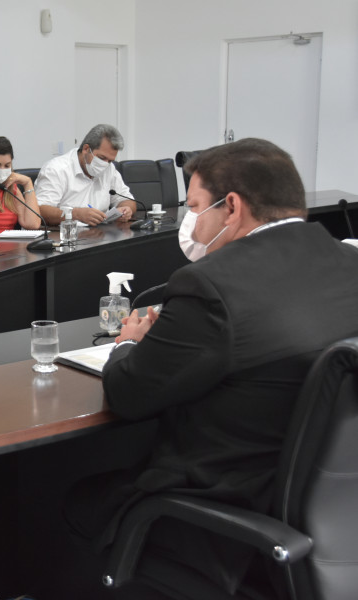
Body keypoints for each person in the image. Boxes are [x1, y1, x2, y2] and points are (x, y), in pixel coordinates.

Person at [69, 138, 358, 593]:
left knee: (75, 499)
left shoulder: (211, 286)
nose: (193, 223)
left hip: (225, 519)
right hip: (336, 517)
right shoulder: (349, 262)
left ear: (233, 208)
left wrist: (131, 342)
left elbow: (129, 395)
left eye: (198, 206)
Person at [34, 124, 136, 226]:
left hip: (100, 234)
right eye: (101, 158)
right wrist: (76, 214)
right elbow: (40, 210)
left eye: (110, 161)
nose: (105, 164)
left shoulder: (109, 169)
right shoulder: (56, 169)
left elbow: (127, 200)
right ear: (86, 149)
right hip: (65, 235)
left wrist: (127, 209)